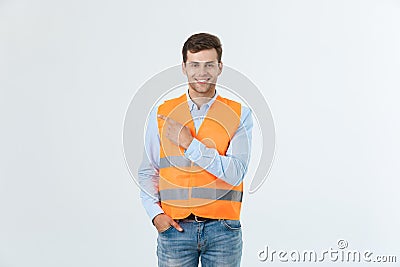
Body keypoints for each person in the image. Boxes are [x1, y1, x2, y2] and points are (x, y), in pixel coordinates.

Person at [138, 32, 253, 267]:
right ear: (184, 67)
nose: (202, 73)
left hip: (223, 230)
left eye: (209, 65)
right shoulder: (161, 114)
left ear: (220, 67)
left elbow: (235, 173)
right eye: (195, 65)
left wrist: (190, 145)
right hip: (175, 230)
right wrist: (155, 214)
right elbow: (148, 171)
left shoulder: (240, 114)